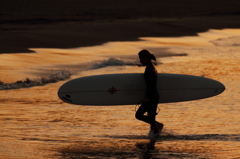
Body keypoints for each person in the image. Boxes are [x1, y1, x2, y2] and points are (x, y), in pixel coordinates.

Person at [135, 49, 164, 138]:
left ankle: (157, 129)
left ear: (145, 58)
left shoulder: (149, 69)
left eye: (141, 58)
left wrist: (147, 97)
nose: (140, 61)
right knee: (151, 119)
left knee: (139, 115)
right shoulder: (152, 68)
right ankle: (154, 141)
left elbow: (150, 85)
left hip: (152, 97)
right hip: (153, 97)